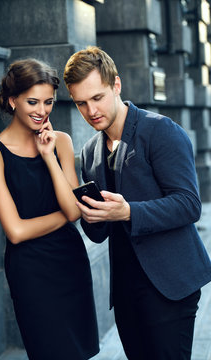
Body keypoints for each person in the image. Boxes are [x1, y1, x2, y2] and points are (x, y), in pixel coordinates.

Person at [63, 46, 211, 360]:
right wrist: (92, 216)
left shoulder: (160, 131)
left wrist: (128, 211)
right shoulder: (90, 152)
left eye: (98, 97)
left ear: (116, 85)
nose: (91, 111)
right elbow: (100, 234)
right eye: (81, 103)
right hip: (127, 291)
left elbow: (188, 204)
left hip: (170, 285)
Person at [0, 58, 99, 360]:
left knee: (78, 352)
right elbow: (17, 231)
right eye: (33, 101)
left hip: (69, 262)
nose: (42, 111)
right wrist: (67, 213)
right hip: (31, 271)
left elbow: (74, 210)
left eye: (48, 102)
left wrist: (48, 156)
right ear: (12, 100)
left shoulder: (60, 142)